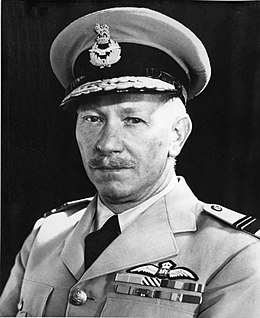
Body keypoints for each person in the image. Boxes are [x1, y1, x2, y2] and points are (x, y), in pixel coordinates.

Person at [0, 7, 260, 317]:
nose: (107, 143)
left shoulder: (236, 254)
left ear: (178, 135)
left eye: (133, 120)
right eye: (93, 119)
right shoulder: (46, 235)